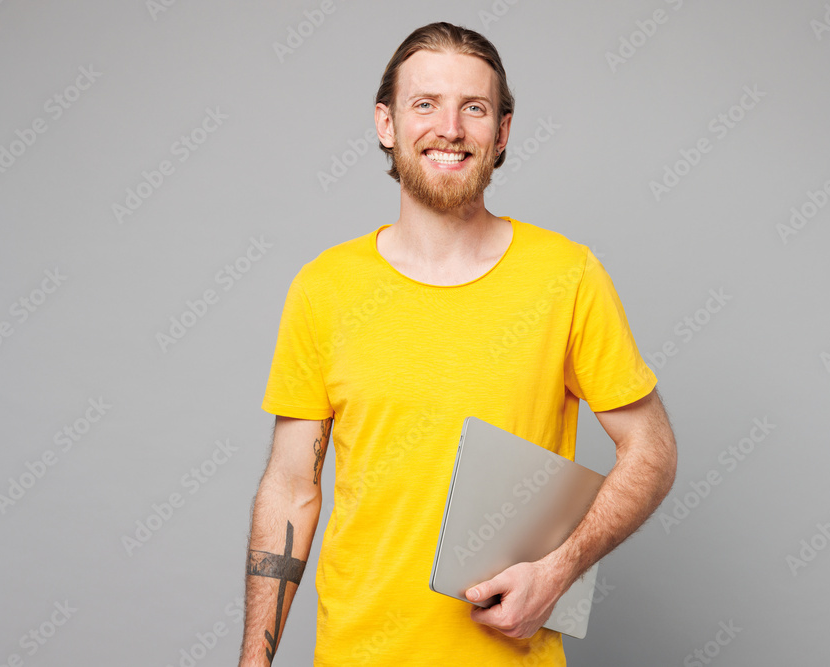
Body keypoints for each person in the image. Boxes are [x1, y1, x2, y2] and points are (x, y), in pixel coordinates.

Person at [239, 21, 677, 666]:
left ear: (501, 133)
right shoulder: (324, 288)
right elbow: (291, 487)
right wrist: (255, 660)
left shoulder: (567, 276)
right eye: (426, 104)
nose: (450, 128)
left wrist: (558, 570)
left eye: (474, 108)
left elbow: (653, 449)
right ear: (386, 124)